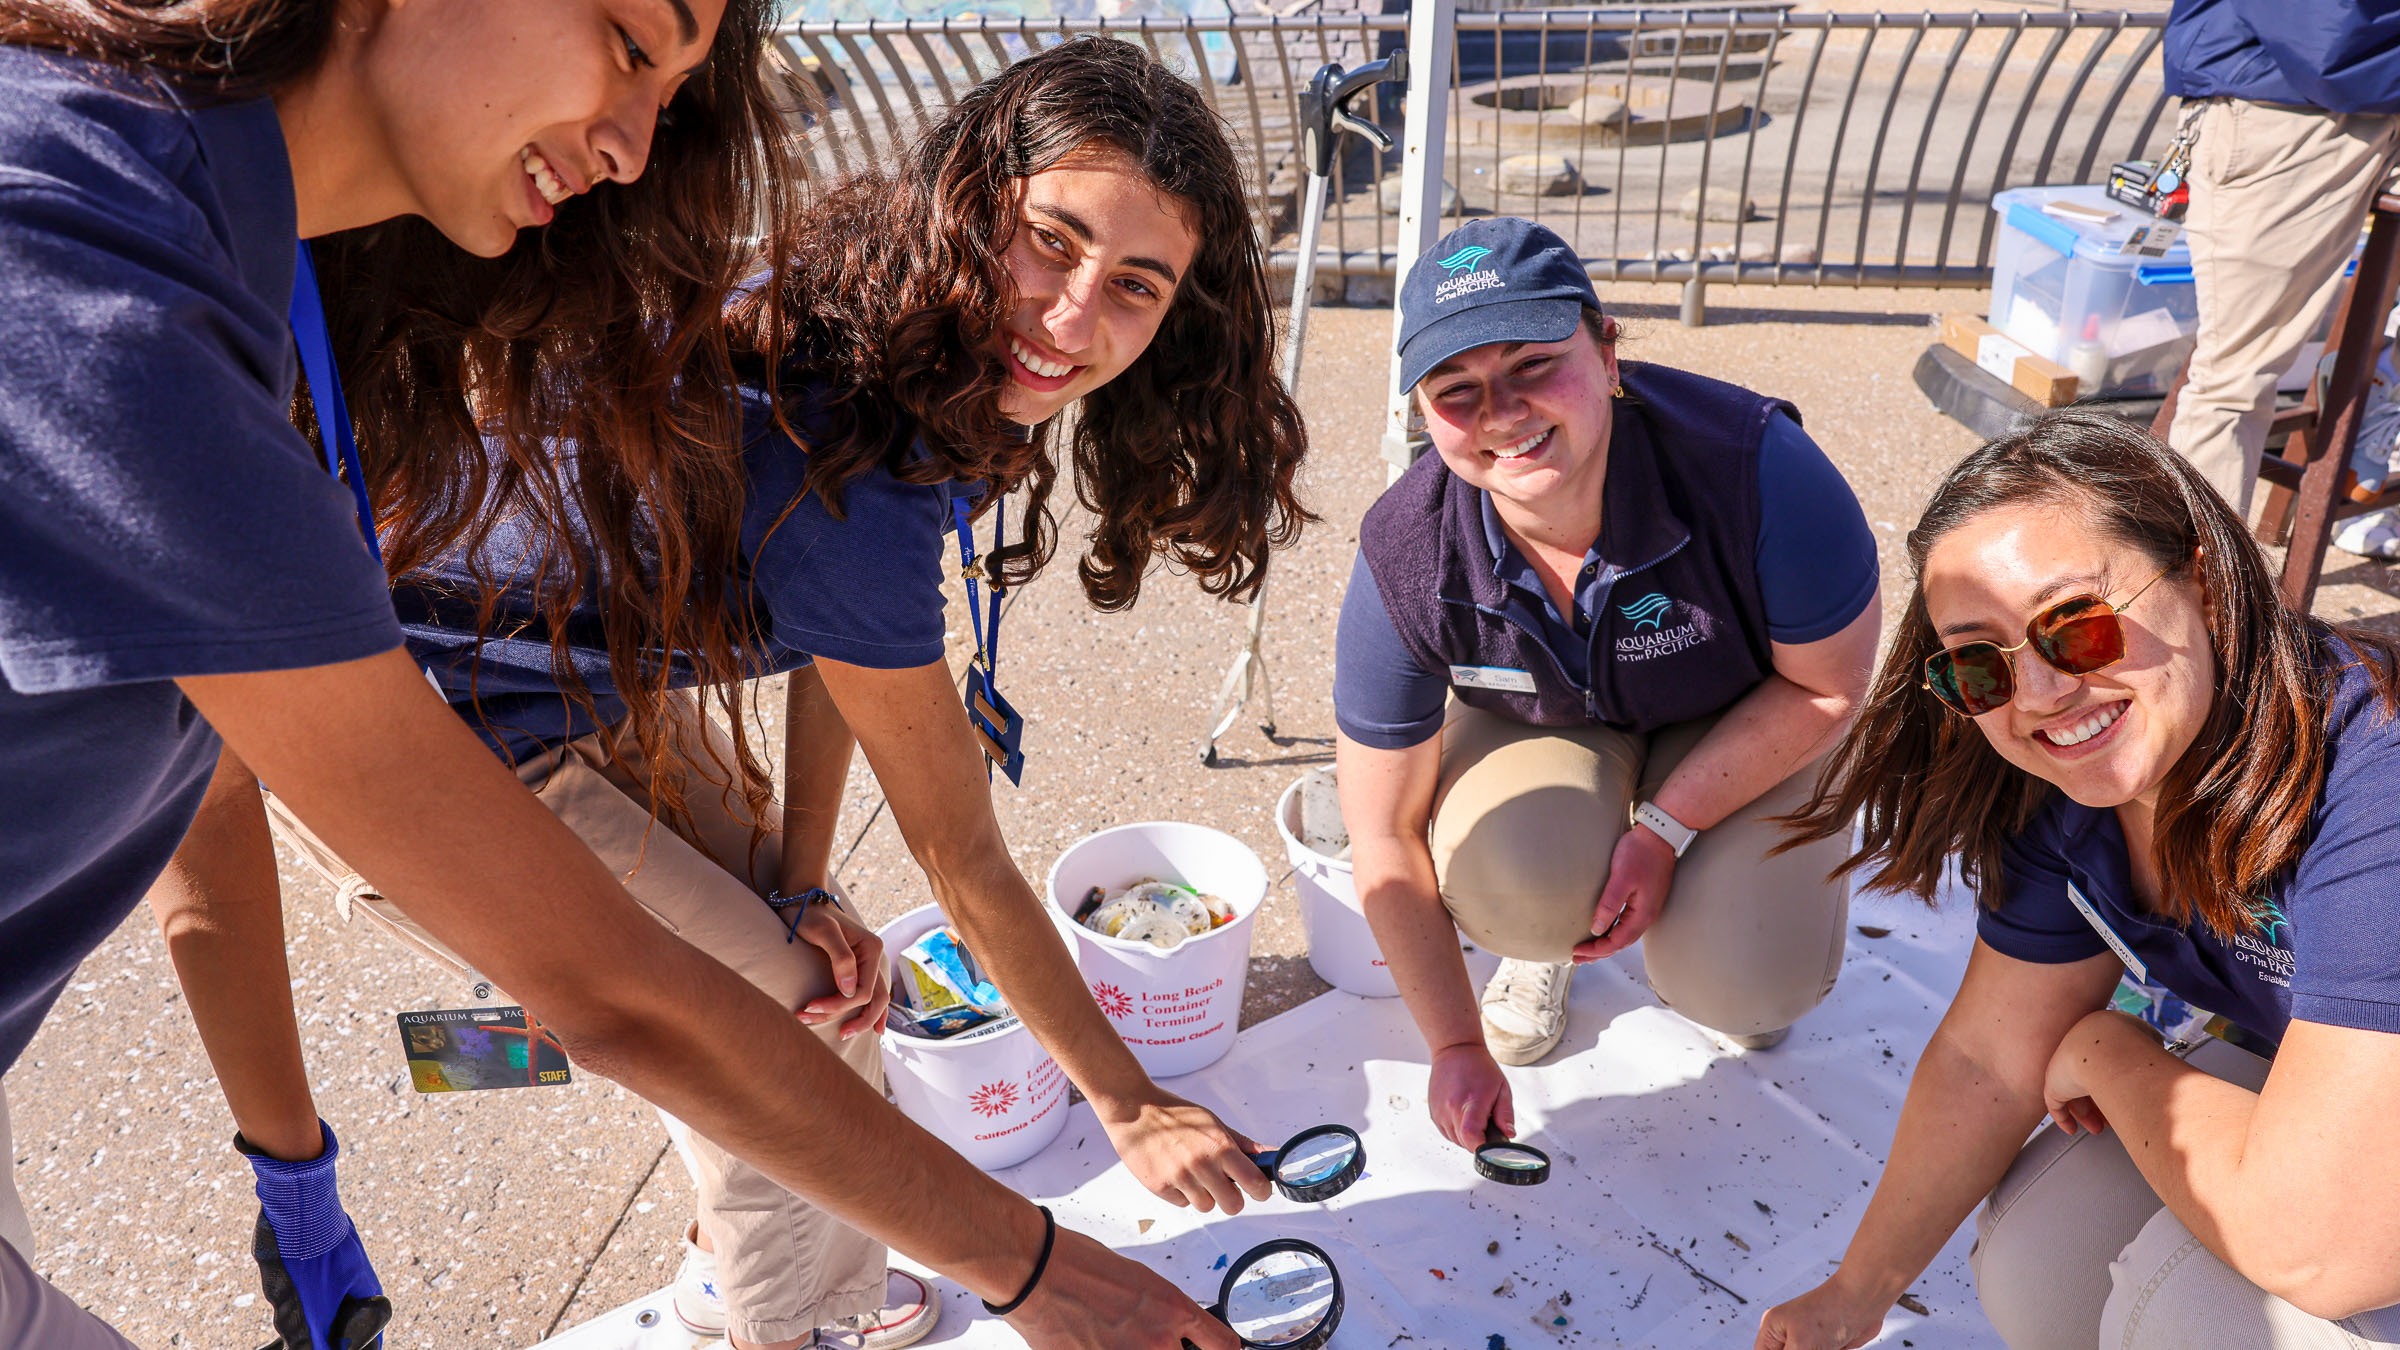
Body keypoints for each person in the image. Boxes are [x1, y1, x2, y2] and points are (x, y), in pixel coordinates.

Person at [0, 5, 1239, 1349]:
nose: (1068, 315)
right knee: (788, 1009)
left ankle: (742, 1251)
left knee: (798, 964)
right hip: (435, 715)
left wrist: (802, 874)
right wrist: (1124, 1114)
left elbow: (849, 654)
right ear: (960, 205)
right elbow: (957, 858)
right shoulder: (106, 287)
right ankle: (793, 1319)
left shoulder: (915, 356)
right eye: (1047, 242)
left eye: (1135, 285)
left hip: (570, 676)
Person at [1756, 410, 2400, 1350]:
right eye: (1982, 665)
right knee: (2040, 1262)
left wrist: (2107, 1051)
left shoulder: (2372, 774)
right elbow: (1989, 1055)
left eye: (2078, 627)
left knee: (2203, 1318)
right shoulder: (2063, 793)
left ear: (2208, 585)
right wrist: (1857, 1294)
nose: (2043, 696)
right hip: (2325, 1056)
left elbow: (2316, 1250)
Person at [1333, 217, 1881, 1157]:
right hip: (1543, 721)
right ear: (1423, 415)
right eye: (1456, 390)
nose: (1501, 412)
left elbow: (1829, 690)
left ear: (1608, 348)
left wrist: (1664, 827)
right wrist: (1454, 1042)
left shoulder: (1758, 470)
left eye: (1534, 364)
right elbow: (1381, 831)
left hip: (1743, 712)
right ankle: (1542, 947)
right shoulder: (1405, 549)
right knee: (1517, 878)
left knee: (1750, 976)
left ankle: (1727, 921)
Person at [2160, 0, 2400, 516]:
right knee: (2234, 385)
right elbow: (2325, 40)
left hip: (2361, 79)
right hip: (2290, 104)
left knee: (2235, 381)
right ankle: (2209, 588)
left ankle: (2380, 379)